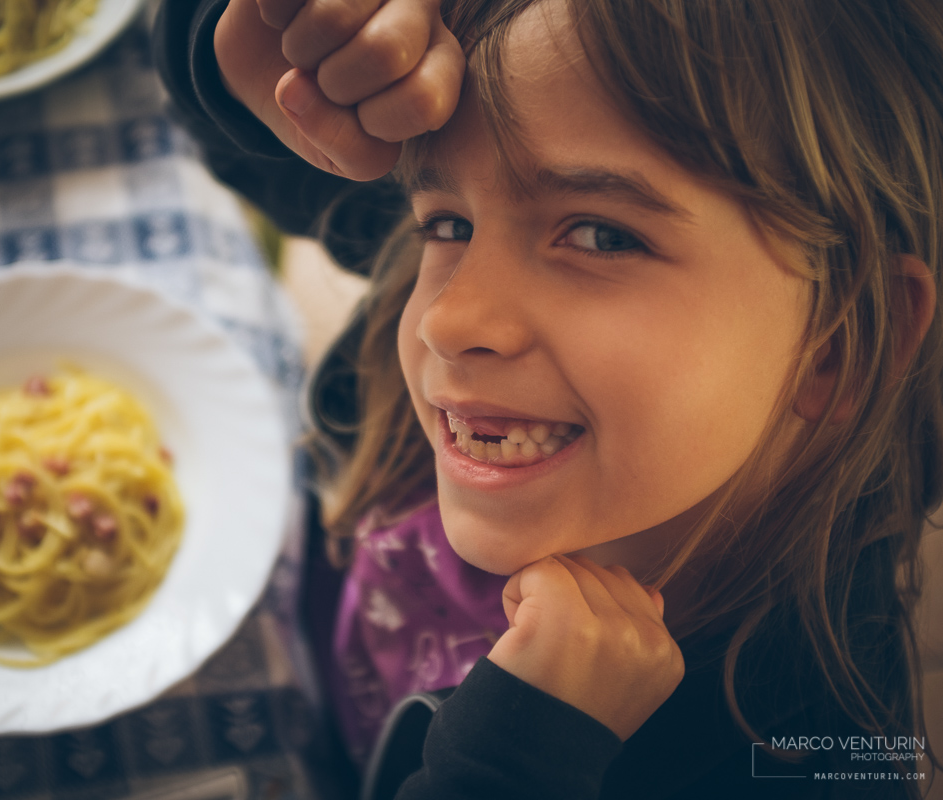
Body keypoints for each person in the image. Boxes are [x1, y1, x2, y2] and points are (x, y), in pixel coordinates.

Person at [155, 0, 943, 797]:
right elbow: (246, 127)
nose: (445, 320)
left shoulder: (814, 762)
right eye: (448, 225)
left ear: (836, 343)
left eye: (602, 235)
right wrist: (267, 43)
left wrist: (515, 765)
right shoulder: (439, 307)